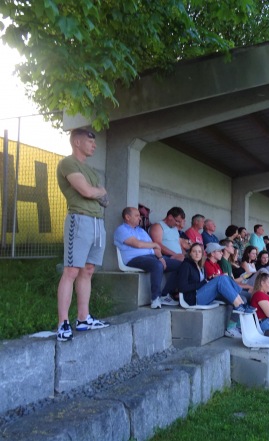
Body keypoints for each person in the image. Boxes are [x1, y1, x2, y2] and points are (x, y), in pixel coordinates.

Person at [55, 128, 110, 341]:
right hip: (79, 220)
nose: (94, 145)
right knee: (71, 270)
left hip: (97, 222)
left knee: (88, 270)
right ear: (77, 142)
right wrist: (98, 191)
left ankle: (83, 318)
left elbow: (106, 200)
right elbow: (87, 191)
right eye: (90, 141)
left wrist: (97, 192)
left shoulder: (91, 171)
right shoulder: (68, 163)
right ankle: (62, 323)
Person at [114, 207, 182, 309]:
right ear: (127, 217)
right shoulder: (121, 230)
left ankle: (164, 295)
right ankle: (155, 298)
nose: (140, 218)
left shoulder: (141, 231)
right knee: (157, 265)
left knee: (181, 264)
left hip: (152, 257)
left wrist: (160, 257)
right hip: (134, 258)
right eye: (137, 216)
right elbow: (138, 244)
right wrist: (154, 245)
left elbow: (156, 247)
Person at [178, 243, 255, 315]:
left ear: (202, 254)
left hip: (201, 293)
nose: (197, 254)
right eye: (194, 251)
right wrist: (204, 282)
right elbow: (182, 287)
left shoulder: (201, 266)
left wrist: (209, 279)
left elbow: (203, 282)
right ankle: (238, 305)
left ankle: (241, 304)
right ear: (190, 253)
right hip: (193, 298)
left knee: (224, 277)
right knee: (221, 279)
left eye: (199, 252)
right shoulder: (186, 265)